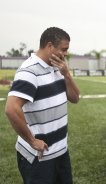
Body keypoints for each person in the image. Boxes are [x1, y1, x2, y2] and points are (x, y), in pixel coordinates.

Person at [5, 27, 80, 183]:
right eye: (63, 49)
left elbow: (75, 98)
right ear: (50, 46)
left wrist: (66, 74)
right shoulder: (29, 71)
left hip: (60, 152)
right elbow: (11, 109)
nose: (65, 53)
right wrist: (32, 141)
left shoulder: (58, 67)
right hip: (39, 157)